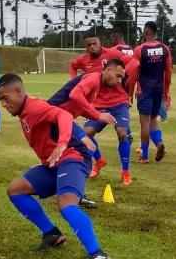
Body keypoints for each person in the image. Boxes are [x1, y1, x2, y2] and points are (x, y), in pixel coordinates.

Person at [0, 73, 112, 259]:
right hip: (52, 164)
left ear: (18, 91)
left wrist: (63, 142)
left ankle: (98, 253)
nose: (3, 105)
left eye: (5, 98)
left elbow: (63, 115)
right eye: (0, 100)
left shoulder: (33, 107)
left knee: (66, 203)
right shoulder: (25, 109)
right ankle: (52, 234)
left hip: (72, 157)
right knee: (15, 190)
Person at [52, 58, 137, 186]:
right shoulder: (94, 78)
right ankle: (73, 185)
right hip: (56, 116)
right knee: (79, 147)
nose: (119, 81)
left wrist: (97, 116)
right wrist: (97, 114)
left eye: (121, 78)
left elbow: (79, 106)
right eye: (118, 76)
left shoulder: (98, 82)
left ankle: (122, 171)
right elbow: (75, 95)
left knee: (78, 148)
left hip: (63, 117)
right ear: (107, 70)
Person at [133, 21, 172, 163]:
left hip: (145, 89)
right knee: (154, 119)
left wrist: (130, 92)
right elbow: (168, 71)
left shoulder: (139, 49)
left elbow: (133, 73)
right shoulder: (165, 49)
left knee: (144, 123)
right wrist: (166, 91)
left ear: (146, 32)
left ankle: (144, 157)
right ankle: (159, 142)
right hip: (158, 88)